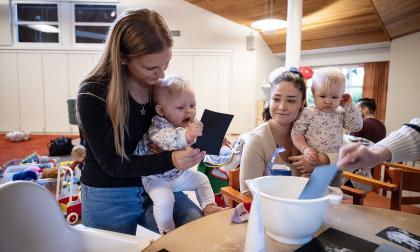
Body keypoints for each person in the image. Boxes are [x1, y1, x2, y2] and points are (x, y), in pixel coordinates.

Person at [76, 9, 206, 235]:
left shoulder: (159, 88)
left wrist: (194, 133)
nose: (162, 75)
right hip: (109, 195)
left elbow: (172, 128)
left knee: (193, 233)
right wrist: (171, 159)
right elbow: (113, 164)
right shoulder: (93, 94)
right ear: (123, 57)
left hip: (157, 181)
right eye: (151, 68)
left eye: (166, 64)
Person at [134, 75, 223, 234]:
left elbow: (196, 143)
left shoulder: (189, 124)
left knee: (201, 179)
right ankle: (167, 231)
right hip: (155, 178)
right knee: (165, 200)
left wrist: (216, 141)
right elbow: (166, 139)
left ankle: (209, 206)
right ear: (161, 110)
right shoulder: (158, 124)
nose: (189, 111)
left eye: (192, 105)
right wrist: (187, 136)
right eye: (180, 108)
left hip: (176, 176)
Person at [239, 68, 338, 192]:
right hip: (270, 208)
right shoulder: (257, 140)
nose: (282, 107)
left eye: (291, 100)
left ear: (302, 103)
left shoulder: (314, 131)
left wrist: (321, 160)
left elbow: (345, 156)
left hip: (310, 203)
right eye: (276, 99)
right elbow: (247, 193)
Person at [291, 68, 363, 186]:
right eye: (322, 96)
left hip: (334, 165)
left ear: (342, 96)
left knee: (333, 193)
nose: (328, 101)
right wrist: (305, 149)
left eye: (334, 97)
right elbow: (296, 132)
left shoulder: (341, 112)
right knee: (308, 191)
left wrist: (349, 105)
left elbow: (356, 126)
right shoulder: (308, 112)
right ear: (314, 93)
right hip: (311, 162)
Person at [338, 118, 420, 171]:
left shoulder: (363, 124)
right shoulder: (381, 124)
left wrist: (376, 155)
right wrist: (376, 155)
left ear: (365, 109)